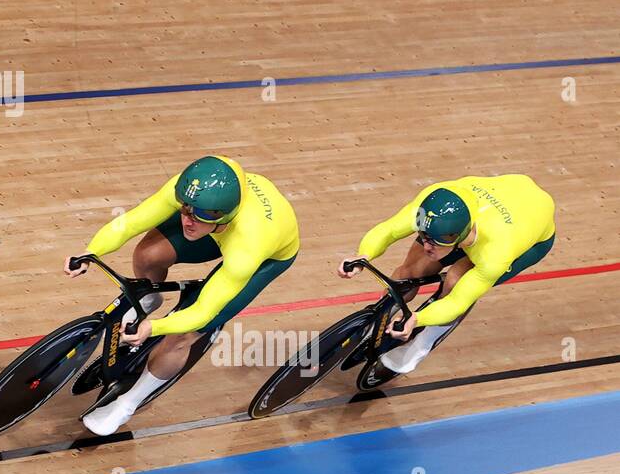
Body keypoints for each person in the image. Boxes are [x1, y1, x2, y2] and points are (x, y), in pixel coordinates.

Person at [66, 155, 299, 435]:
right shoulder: (194, 188)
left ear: (221, 216)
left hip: (265, 254)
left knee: (181, 336)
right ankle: (149, 298)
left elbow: (203, 311)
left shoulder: (248, 246)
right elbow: (129, 223)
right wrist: (91, 252)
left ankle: (128, 403)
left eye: (197, 215)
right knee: (148, 254)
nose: (187, 221)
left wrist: (156, 326)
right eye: (185, 209)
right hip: (221, 230)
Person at [338, 174, 555, 379]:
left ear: (457, 237)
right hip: (505, 193)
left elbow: (457, 302)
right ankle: (377, 320)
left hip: (526, 236)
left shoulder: (496, 251)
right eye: (422, 236)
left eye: (433, 241)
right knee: (410, 271)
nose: (425, 245)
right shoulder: (433, 204)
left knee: (455, 280)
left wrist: (417, 318)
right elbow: (389, 230)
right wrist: (363, 256)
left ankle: (419, 347)